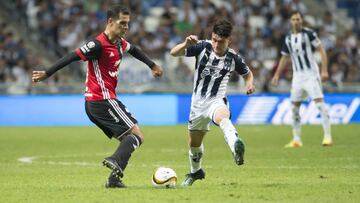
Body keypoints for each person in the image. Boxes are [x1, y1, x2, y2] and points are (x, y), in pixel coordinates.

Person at [32, 5, 163, 188]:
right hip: (101, 100)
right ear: (110, 21)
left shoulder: (119, 42)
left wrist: (152, 65)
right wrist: (48, 73)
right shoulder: (98, 44)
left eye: (128, 24)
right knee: (137, 135)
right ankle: (115, 161)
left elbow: (134, 50)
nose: (126, 27)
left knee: (128, 139)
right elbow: (72, 56)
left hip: (97, 103)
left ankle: (114, 180)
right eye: (122, 23)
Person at [170, 19, 255, 187]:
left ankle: (235, 145)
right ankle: (196, 172)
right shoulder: (202, 46)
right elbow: (174, 53)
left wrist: (249, 83)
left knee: (223, 118)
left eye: (221, 41)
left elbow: (248, 73)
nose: (216, 44)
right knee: (194, 144)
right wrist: (185, 44)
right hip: (197, 105)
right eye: (214, 39)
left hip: (216, 101)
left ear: (229, 40)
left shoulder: (233, 58)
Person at [271, 11, 332, 148]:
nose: (296, 21)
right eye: (293, 19)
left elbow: (321, 50)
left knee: (319, 104)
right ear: (290, 21)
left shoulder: (309, 34)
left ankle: (328, 137)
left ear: (302, 20)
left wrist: (324, 70)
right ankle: (297, 140)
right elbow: (284, 57)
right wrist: (276, 75)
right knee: (293, 108)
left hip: (311, 74)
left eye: (298, 19)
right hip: (297, 77)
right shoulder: (288, 38)